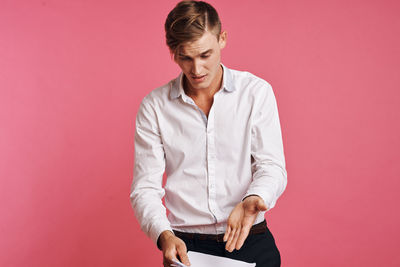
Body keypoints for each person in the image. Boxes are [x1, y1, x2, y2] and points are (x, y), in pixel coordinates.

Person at [130, 1, 287, 266]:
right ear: (172, 52)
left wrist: (254, 198)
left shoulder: (256, 93)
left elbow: (271, 166)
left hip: (250, 238)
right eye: (185, 57)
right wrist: (164, 235)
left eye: (205, 55)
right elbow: (145, 188)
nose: (197, 69)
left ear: (222, 39)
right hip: (186, 247)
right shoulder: (155, 106)